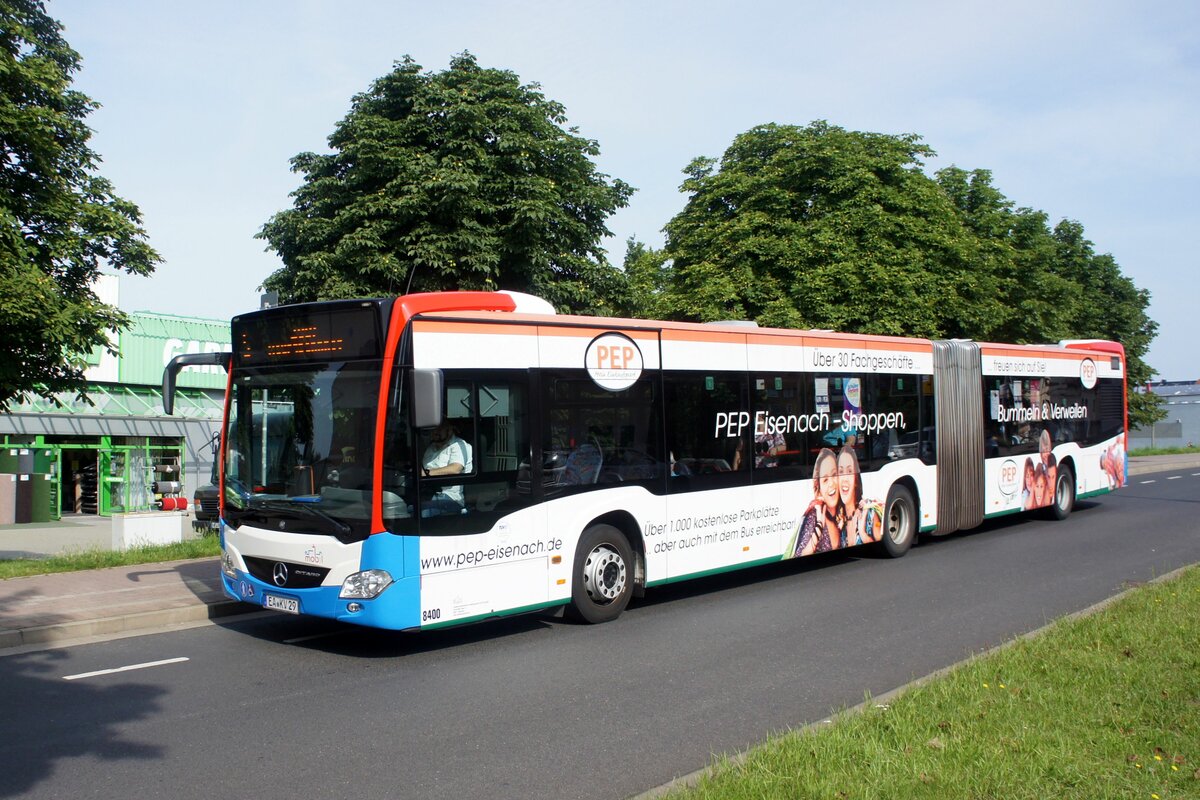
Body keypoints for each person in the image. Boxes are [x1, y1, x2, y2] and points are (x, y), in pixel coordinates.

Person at [793, 448, 840, 556]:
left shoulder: (844, 512)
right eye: (825, 480)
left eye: (834, 475)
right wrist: (819, 525)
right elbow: (800, 554)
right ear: (819, 487)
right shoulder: (814, 514)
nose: (832, 484)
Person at [421, 422, 472, 516]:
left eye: (439, 429)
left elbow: (455, 469)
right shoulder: (431, 447)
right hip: (426, 492)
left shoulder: (459, 445)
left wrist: (427, 473)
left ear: (449, 430)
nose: (435, 432)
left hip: (449, 497)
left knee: (423, 514)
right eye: (433, 429)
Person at [835, 446, 882, 546]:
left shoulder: (868, 510)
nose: (844, 479)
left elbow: (881, 539)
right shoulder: (839, 519)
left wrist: (862, 533)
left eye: (849, 471)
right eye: (841, 472)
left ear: (856, 479)